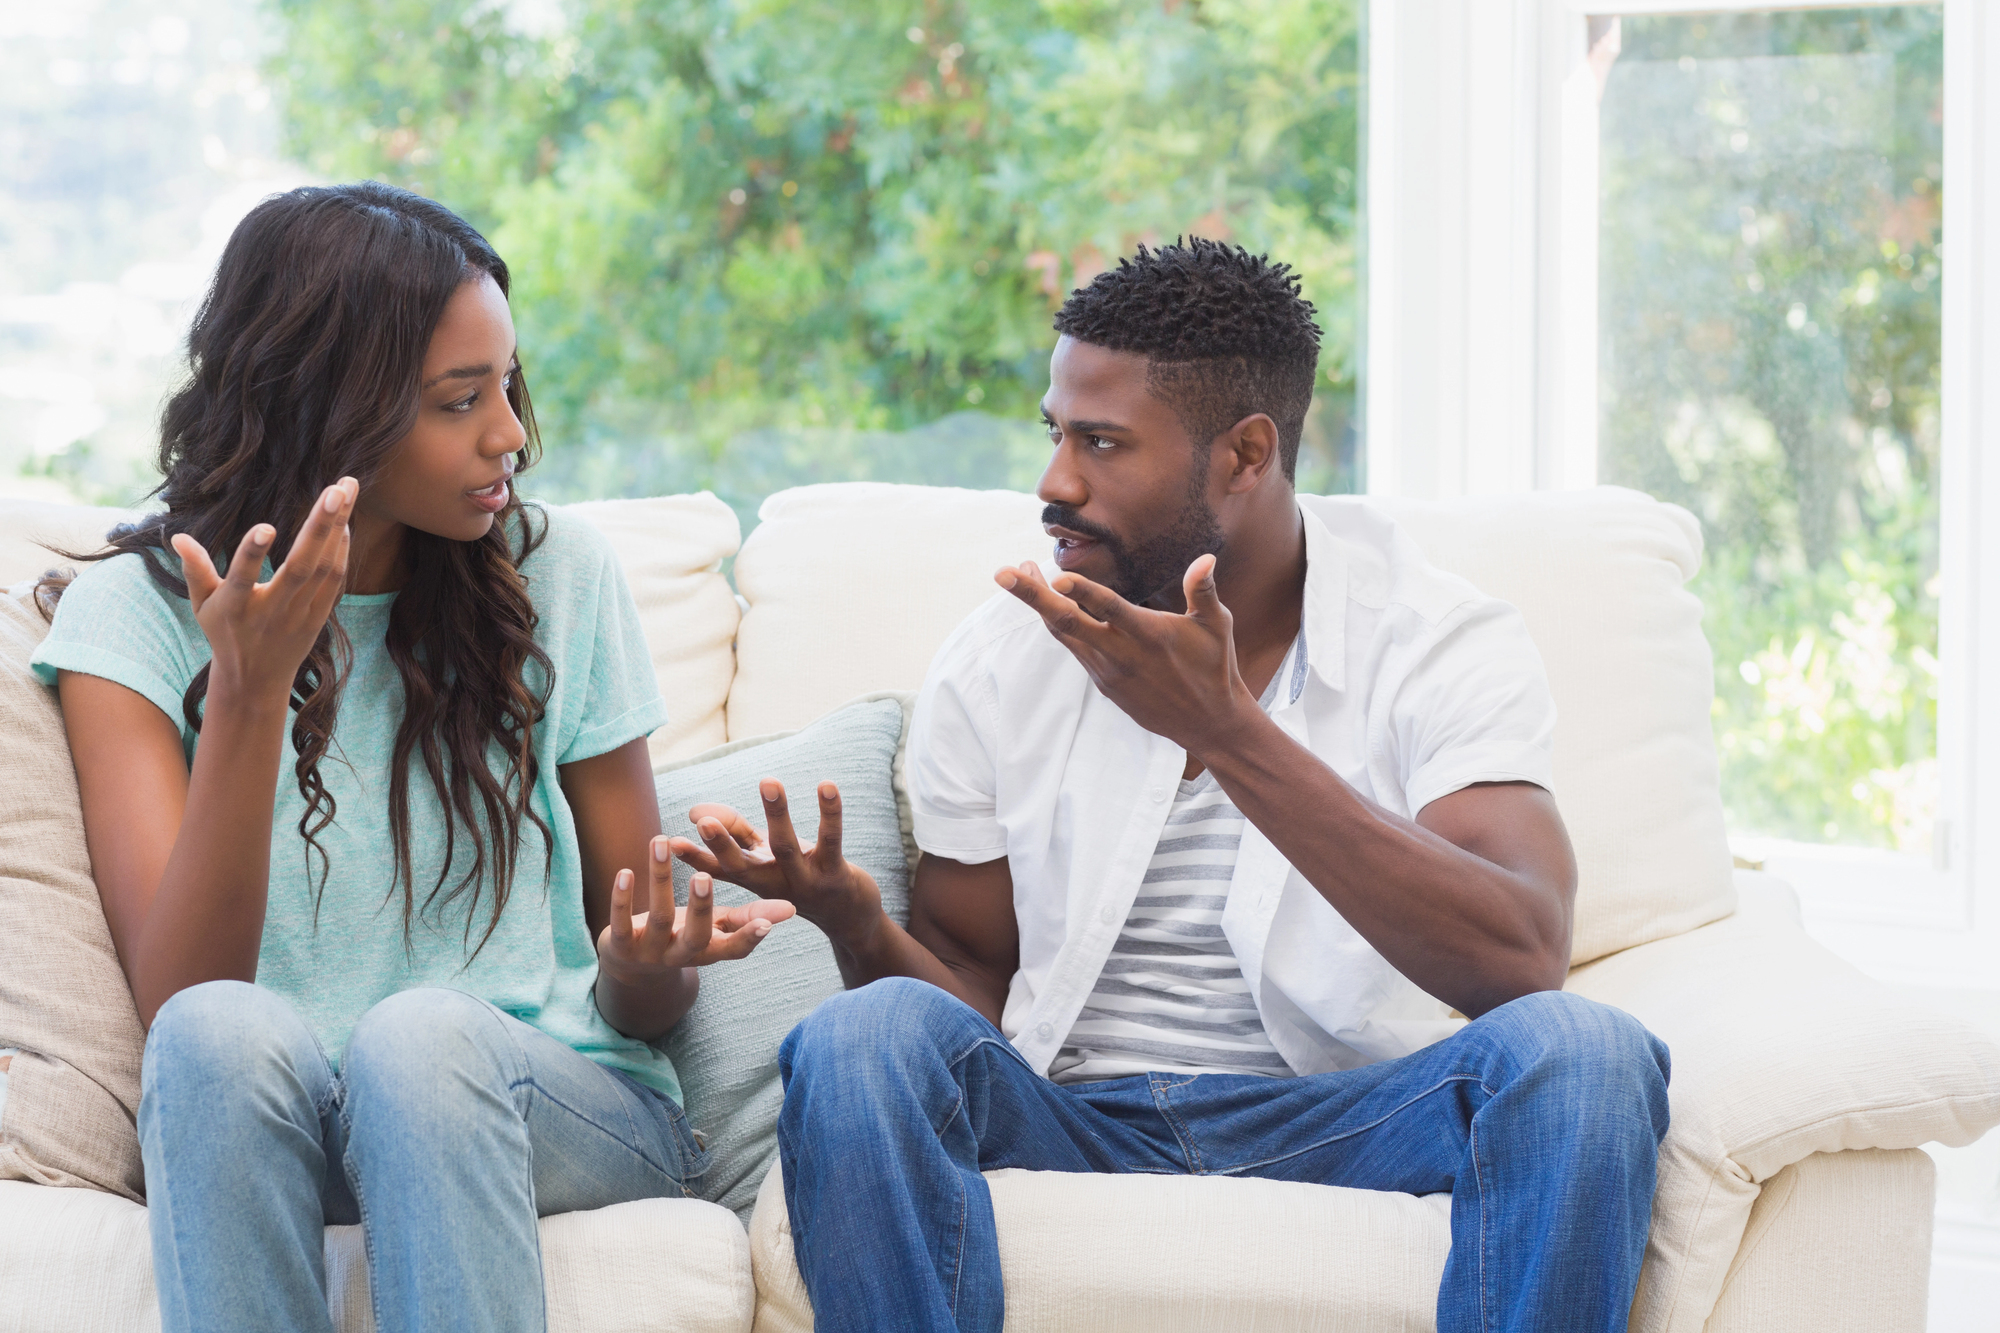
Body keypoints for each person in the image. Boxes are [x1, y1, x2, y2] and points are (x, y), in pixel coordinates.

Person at [672, 238, 1672, 1333]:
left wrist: (1230, 734)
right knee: (856, 1039)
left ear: (1243, 455)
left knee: (1586, 1056)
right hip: (1062, 1107)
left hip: (1340, 1110)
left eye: (1102, 444)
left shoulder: (1435, 641)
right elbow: (971, 990)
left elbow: (1521, 959)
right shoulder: (1000, 652)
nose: (1054, 483)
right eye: (1055, 434)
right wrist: (860, 926)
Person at [31, 182, 793, 1333]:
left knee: (421, 1038)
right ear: (326, 410)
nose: (510, 435)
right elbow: (184, 997)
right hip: (270, 1121)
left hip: (541, 1104)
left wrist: (647, 961)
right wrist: (247, 696)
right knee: (213, 1035)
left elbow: (645, 991)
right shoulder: (132, 617)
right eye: (458, 400)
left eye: (506, 384)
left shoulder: (561, 575)